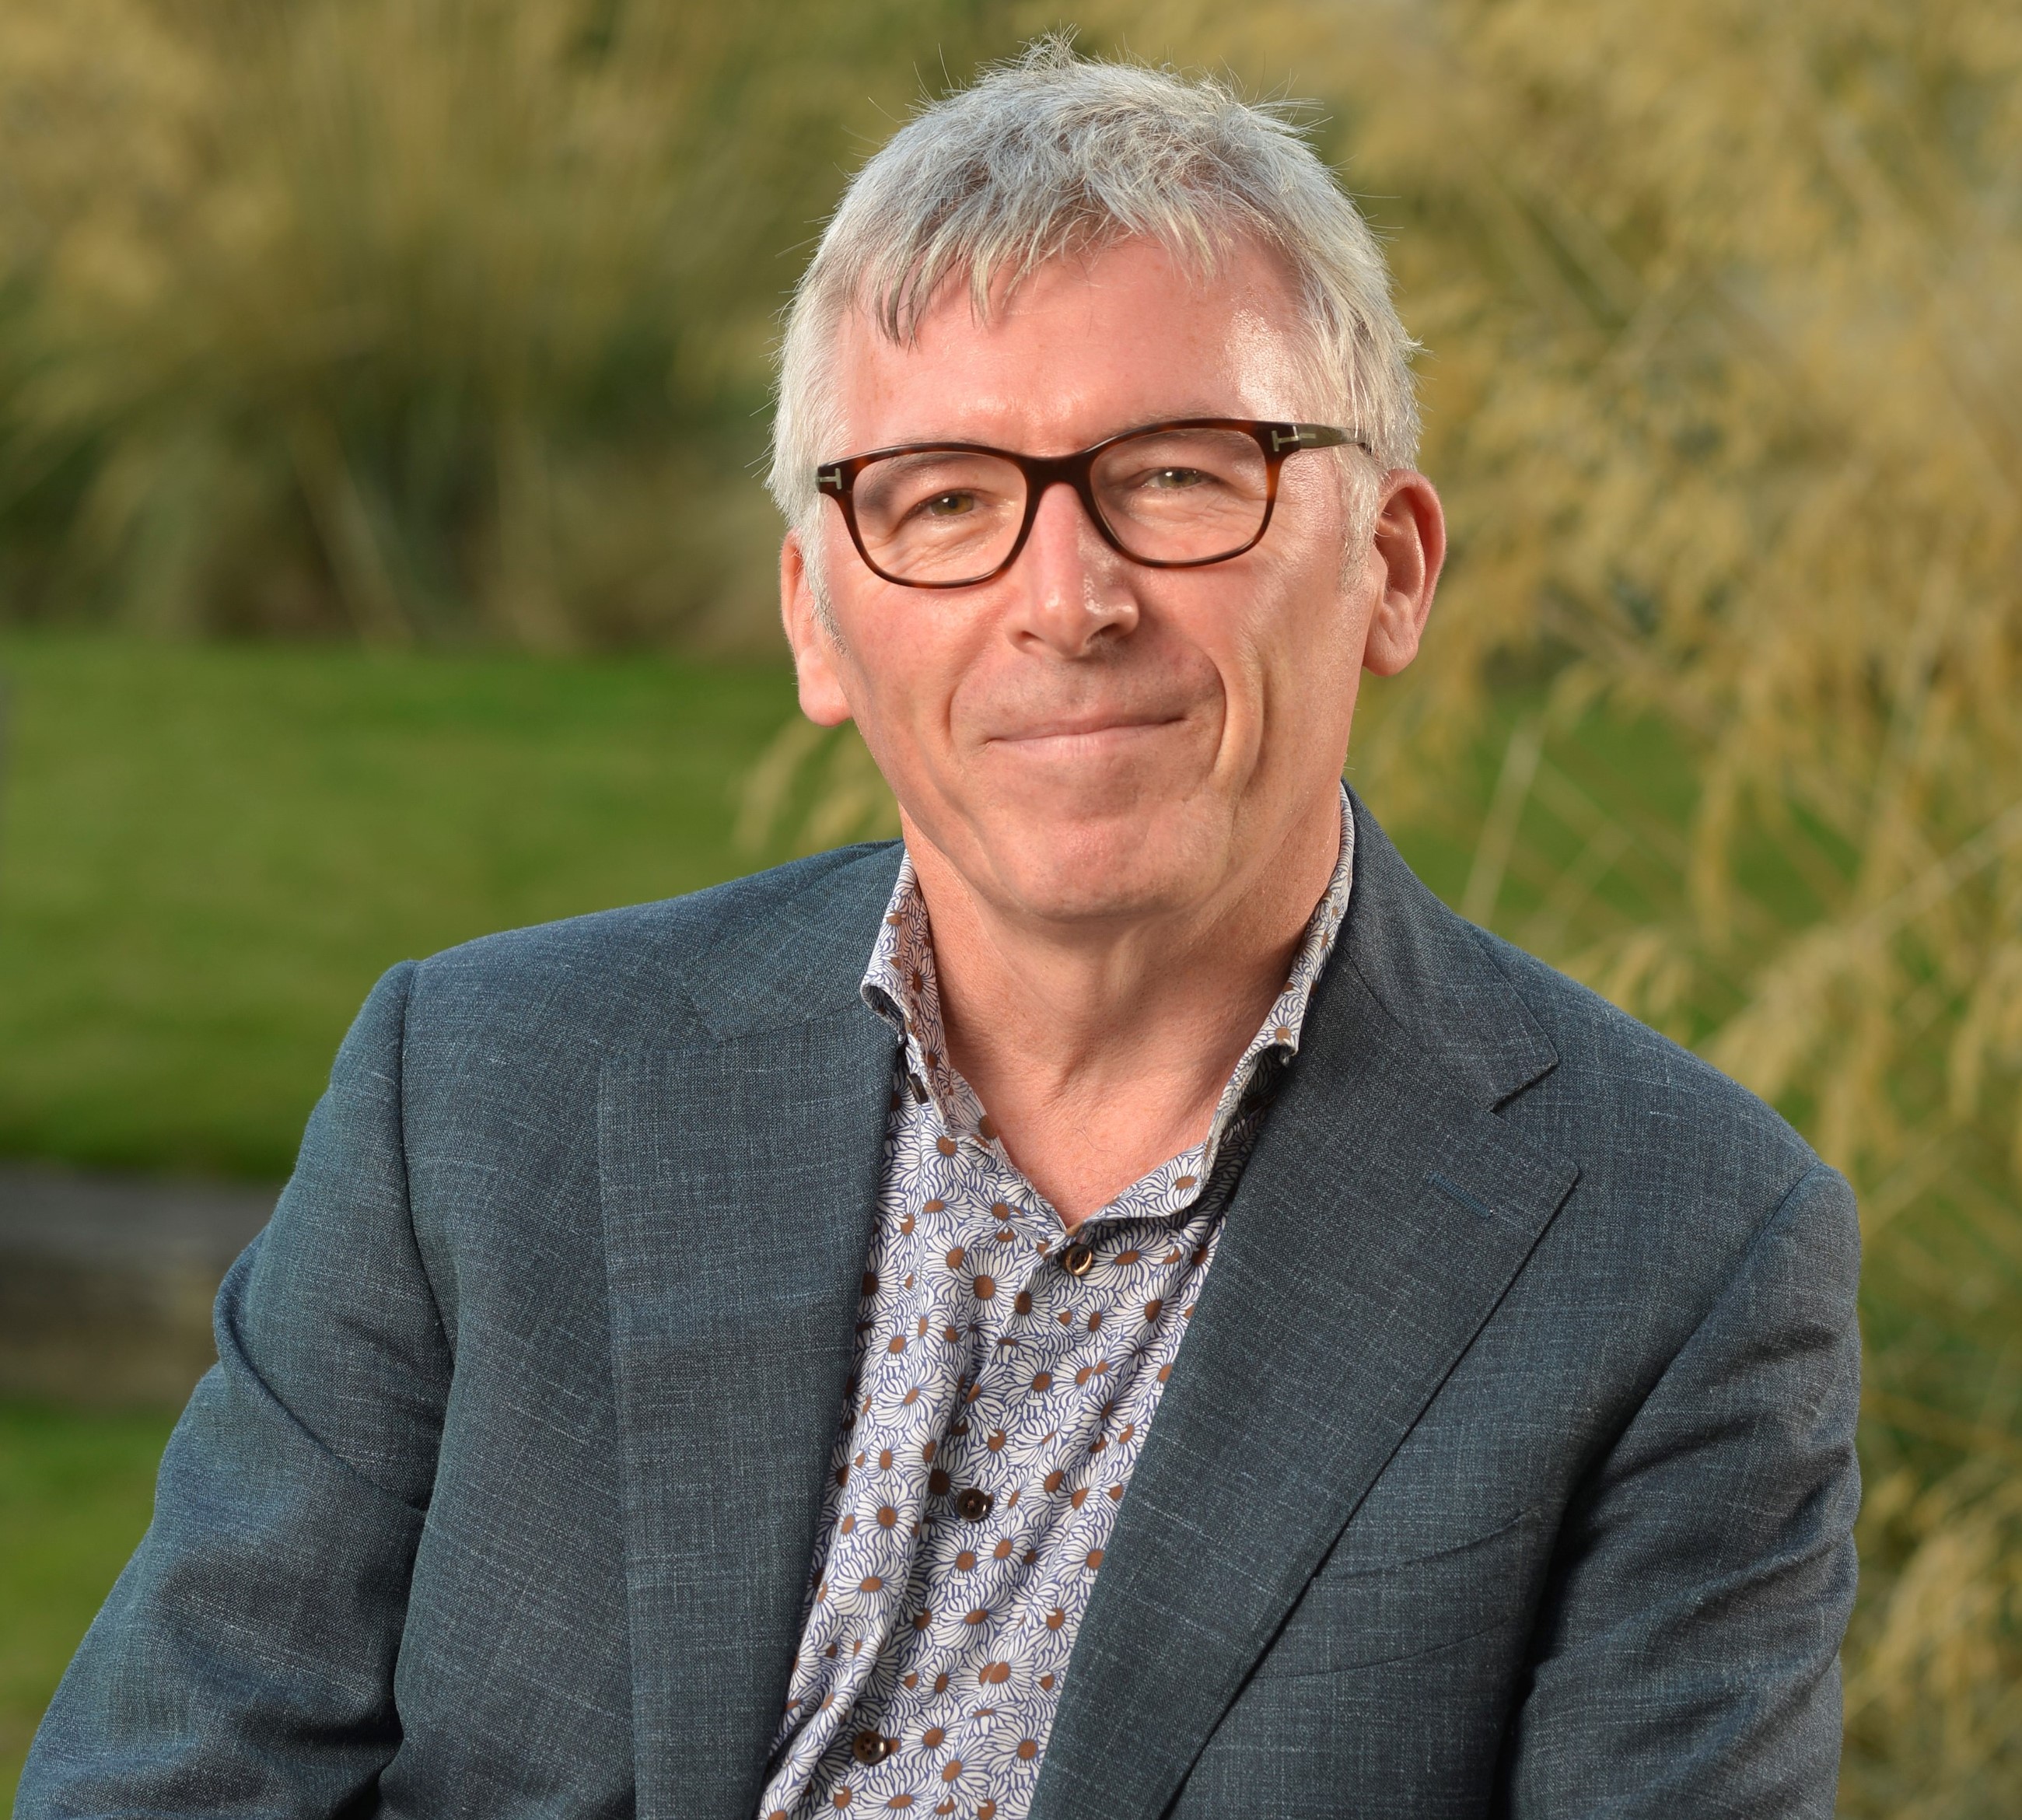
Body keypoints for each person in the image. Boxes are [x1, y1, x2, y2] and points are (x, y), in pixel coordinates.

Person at [20, 40, 1860, 1820]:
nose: (1068, 599)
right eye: (947, 502)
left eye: (1180, 474)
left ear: (1388, 565)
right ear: (819, 623)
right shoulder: (479, 1100)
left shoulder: (1675, 1249)